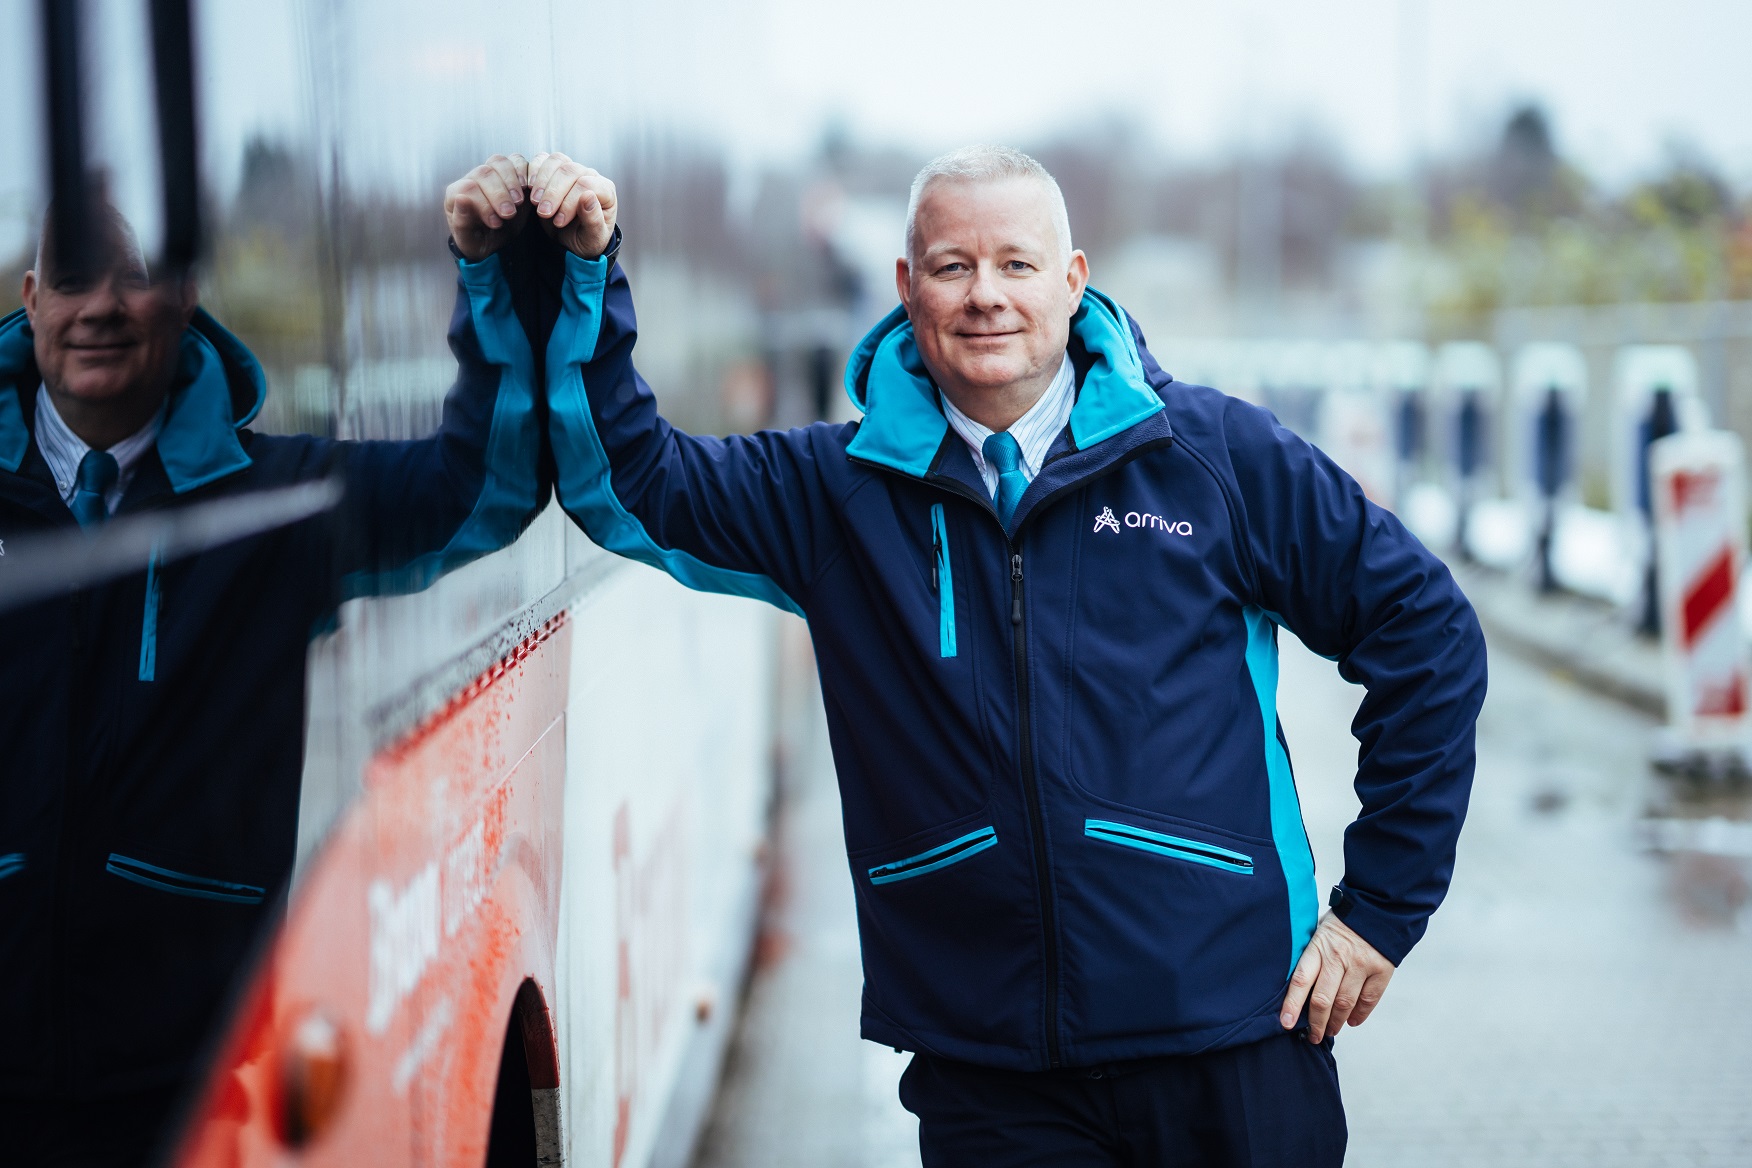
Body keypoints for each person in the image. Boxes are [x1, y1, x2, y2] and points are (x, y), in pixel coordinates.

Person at [512, 145, 1487, 1166]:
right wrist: (582, 270)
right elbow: (625, 484)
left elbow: (1428, 632)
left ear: (1073, 281)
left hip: (1233, 1043)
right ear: (905, 287)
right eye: (952, 266)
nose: (987, 297)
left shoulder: (1213, 458)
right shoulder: (834, 493)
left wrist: (1378, 911)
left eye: (1018, 265)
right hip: (994, 1077)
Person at [0, 168, 553, 1166]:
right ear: (31, 297)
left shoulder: (276, 501)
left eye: (133, 277)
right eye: (72, 278)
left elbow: (488, 489)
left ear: (181, 298)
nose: (102, 309)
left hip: (201, 1083)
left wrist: (484, 272)